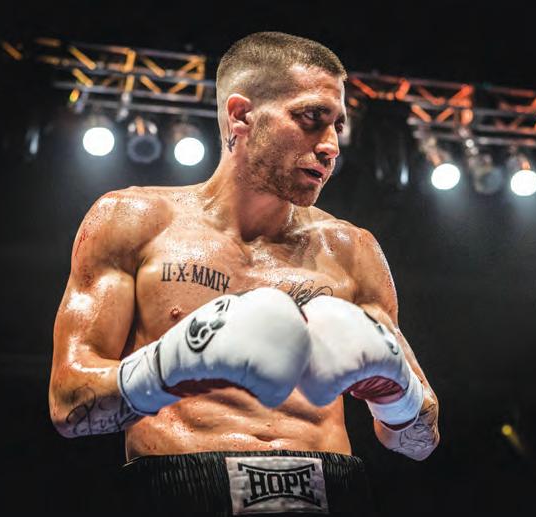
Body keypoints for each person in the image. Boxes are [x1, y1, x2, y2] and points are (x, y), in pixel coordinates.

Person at [49, 31, 440, 515]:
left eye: (338, 125)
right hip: (182, 488)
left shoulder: (351, 249)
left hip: (333, 489)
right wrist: (171, 367)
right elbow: (68, 404)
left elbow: (419, 440)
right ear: (240, 115)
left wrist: (397, 393)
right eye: (311, 118)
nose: (331, 146)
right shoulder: (133, 221)